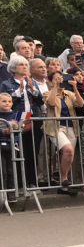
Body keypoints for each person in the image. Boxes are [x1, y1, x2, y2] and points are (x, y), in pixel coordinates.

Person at [1, 55, 45, 187]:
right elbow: (6, 103)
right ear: (14, 68)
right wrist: (19, 91)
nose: (25, 67)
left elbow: (40, 101)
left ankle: (32, 182)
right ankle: (19, 183)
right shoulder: (6, 84)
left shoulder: (32, 82)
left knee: (32, 151)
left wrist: (33, 89)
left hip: (32, 118)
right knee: (19, 151)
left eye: (26, 65)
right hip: (16, 119)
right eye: (21, 65)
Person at [43, 70, 83, 195]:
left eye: (61, 78)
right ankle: (65, 178)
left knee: (67, 155)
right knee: (68, 150)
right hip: (56, 127)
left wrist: (75, 87)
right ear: (49, 81)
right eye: (56, 79)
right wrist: (55, 86)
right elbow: (51, 103)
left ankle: (63, 186)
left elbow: (80, 104)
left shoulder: (68, 93)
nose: (60, 80)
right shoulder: (47, 93)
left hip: (71, 127)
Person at [0, 92, 18, 200]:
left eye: (9, 101)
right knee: (3, 172)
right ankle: (3, 194)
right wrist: (3, 132)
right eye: (4, 101)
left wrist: (17, 128)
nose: (7, 103)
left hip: (11, 145)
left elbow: (21, 130)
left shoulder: (16, 115)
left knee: (11, 171)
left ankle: (11, 193)